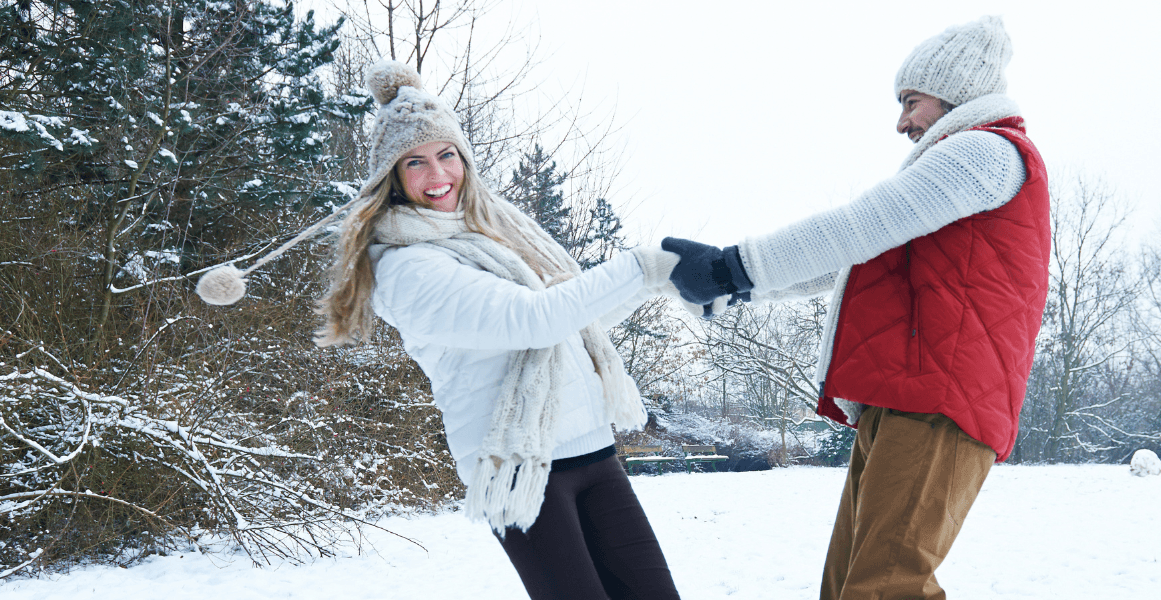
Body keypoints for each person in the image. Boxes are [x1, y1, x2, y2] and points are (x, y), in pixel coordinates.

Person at [665, 17, 1050, 600]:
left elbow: (858, 228)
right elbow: (848, 260)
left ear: (956, 92)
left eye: (911, 101)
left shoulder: (989, 152)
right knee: (848, 587)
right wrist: (738, 286)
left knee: (884, 588)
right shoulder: (960, 162)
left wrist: (731, 265)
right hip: (902, 401)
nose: (901, 122)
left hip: (942, 403)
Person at [315, 60, 683, 600]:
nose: (437, 175)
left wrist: (667, 283)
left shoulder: (496, 232)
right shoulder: (405, 267)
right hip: (518, 471)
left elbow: (577, 320)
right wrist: (642, 265)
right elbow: (536, 321)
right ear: (391, 176)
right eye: (414, 162)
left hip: (593, 451)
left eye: (447, 155)